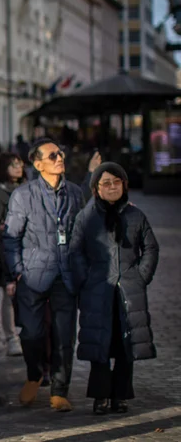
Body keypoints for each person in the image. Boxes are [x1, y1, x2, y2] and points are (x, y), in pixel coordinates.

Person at [3, 137, 85, 412]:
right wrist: (17, 273)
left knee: (64, 336)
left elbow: (82, 234)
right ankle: (34, 374)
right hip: (33, 275)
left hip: (66, 274)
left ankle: (59, 390)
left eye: (60, 153)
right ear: (37, 164)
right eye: (52, 156)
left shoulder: (74, 193)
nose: (59, 158)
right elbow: (11, 238)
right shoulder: (23, 195)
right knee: (31, 334)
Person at [70, 163, 159, 415]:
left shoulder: (136, 215)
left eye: (116, 182)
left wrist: (141, 276)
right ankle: (100, 396)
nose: (111, 187)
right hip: (97, 290)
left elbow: (150, 248)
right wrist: (85, 280)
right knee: (99, 344)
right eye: (106, 183)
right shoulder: (86, 217)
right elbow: (75, 252)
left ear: (125, 185)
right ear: (96, 188)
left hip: (129, 290)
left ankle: (121, 395)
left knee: (125, 344)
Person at [0, 153, 26, 357]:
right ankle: (11, 336)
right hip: (9, 248)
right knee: (9, 294)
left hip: (28, 247)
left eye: (20, 164)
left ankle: (24, 331)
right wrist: (9, 229)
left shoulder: (28, 188)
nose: (18, 168)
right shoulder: (1, 193)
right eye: (13, 165)